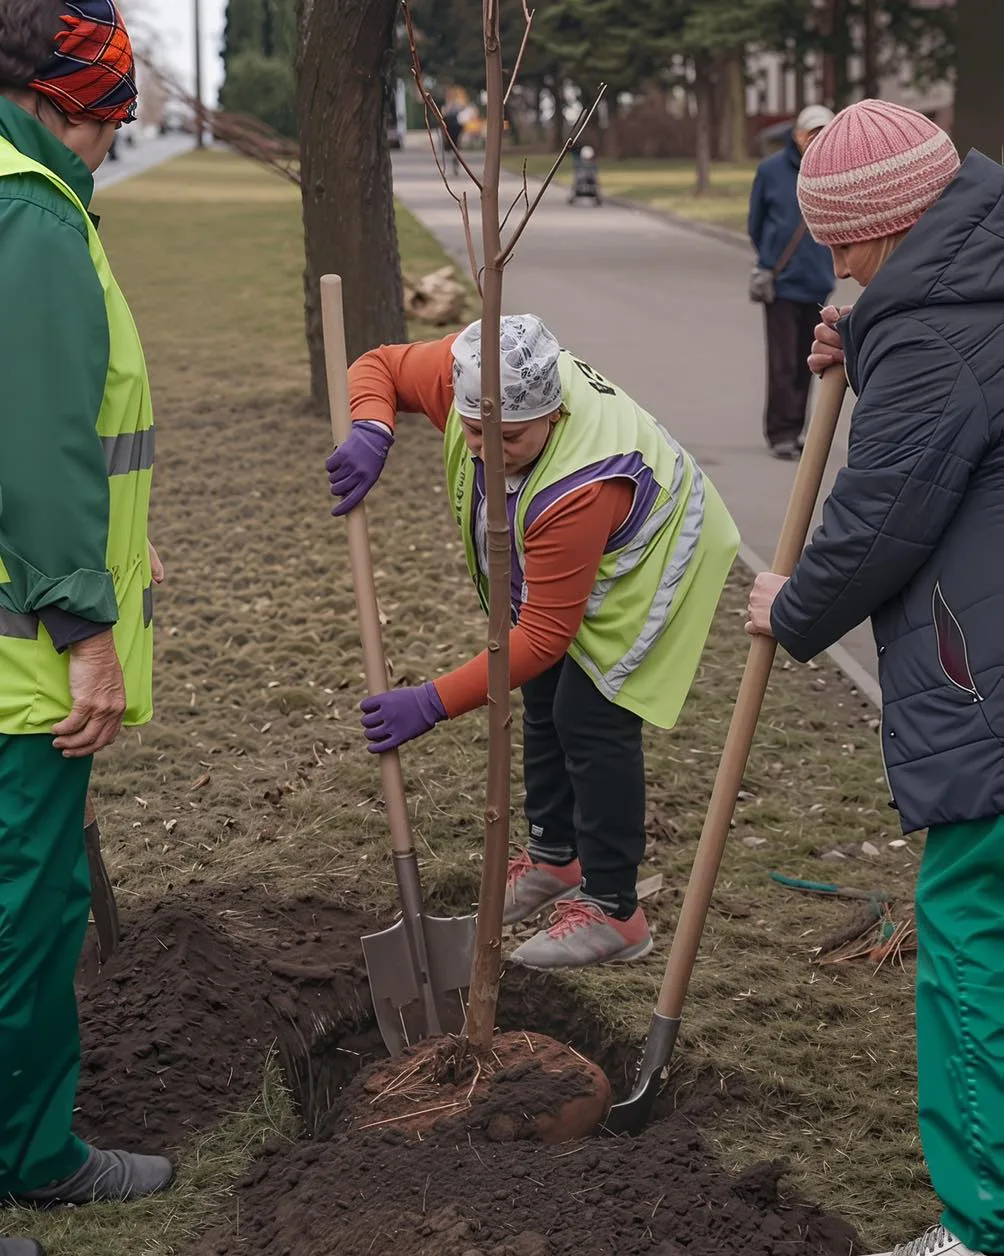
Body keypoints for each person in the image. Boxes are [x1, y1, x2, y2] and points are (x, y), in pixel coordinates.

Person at [745, 99, 1004, 1256]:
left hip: (986, 682)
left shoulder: (932, 327)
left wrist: (788, 603)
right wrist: (875, 326)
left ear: (893, 224)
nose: (833, 263)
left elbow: (881, 518)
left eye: (845, 241)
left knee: (966, 927)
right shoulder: (966, 278)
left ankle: (980, 1220)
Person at [327, 316, 740, 970]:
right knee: (547, 696)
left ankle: (615, 912)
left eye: (511, 437)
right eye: (474, 431)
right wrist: (373, 429)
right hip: (577, 551)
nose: (488, 447)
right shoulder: (477, 376)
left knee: (592, 711)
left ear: (553, 414)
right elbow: (377, 364)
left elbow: (544, 637)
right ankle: (555, 860)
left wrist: (431, 703)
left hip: (657, 551)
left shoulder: (579, 483)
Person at [0, 0, 172, 1212]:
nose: (111, 142)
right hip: (24, 661)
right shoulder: (30, 215)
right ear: (66, 103)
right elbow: (38, 442)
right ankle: (26, 1160)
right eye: (109, 121)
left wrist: (132, 553)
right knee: (26, 913)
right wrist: (88, 629)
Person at [748, 104, 835, 459]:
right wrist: (769, 256)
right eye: (812, 132)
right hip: (781, 282)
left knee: (807, 361)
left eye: (824, 133)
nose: (817, 139)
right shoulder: (771, 171)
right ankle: (780, 431)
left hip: (817, 281)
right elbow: (756, 223)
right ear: (798, 135)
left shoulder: (834, 171)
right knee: (782, 362)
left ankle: (798, 429)